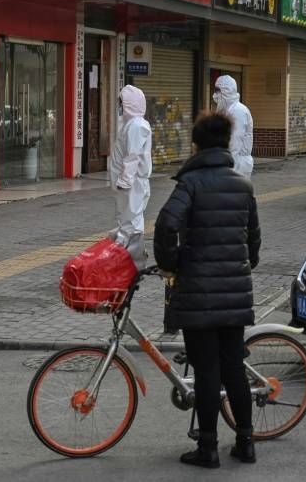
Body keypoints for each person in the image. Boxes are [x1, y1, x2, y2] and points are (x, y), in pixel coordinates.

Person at [153, 112, 261, 469]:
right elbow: (254, 243)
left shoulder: (191, 183)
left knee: (207, 372)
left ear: (196, 144)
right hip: (234, 291)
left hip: (198, 292)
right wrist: (241, 267)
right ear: (226, 144)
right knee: (234, 368)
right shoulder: (242, 184)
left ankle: (209, 448)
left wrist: (172, 262)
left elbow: (167, 223)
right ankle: (246, 443)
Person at [108, 84, 152, 269]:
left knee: (131, 223)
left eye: (122, 102)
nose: (119, 106)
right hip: (130, 183)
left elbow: (132, 156)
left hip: (131, 184)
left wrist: (125, 181)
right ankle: (129, 257)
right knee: (128, 220)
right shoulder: (133, 124)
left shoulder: (136, 126)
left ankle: (132, 261)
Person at [213, 75, 254, 178]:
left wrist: (226, 166)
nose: (215, 95)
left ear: (226, 91)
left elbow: (234, 143)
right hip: (231, 162)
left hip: (237, 164)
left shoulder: (238, 111)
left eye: (218, 90)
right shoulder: (228, 110)